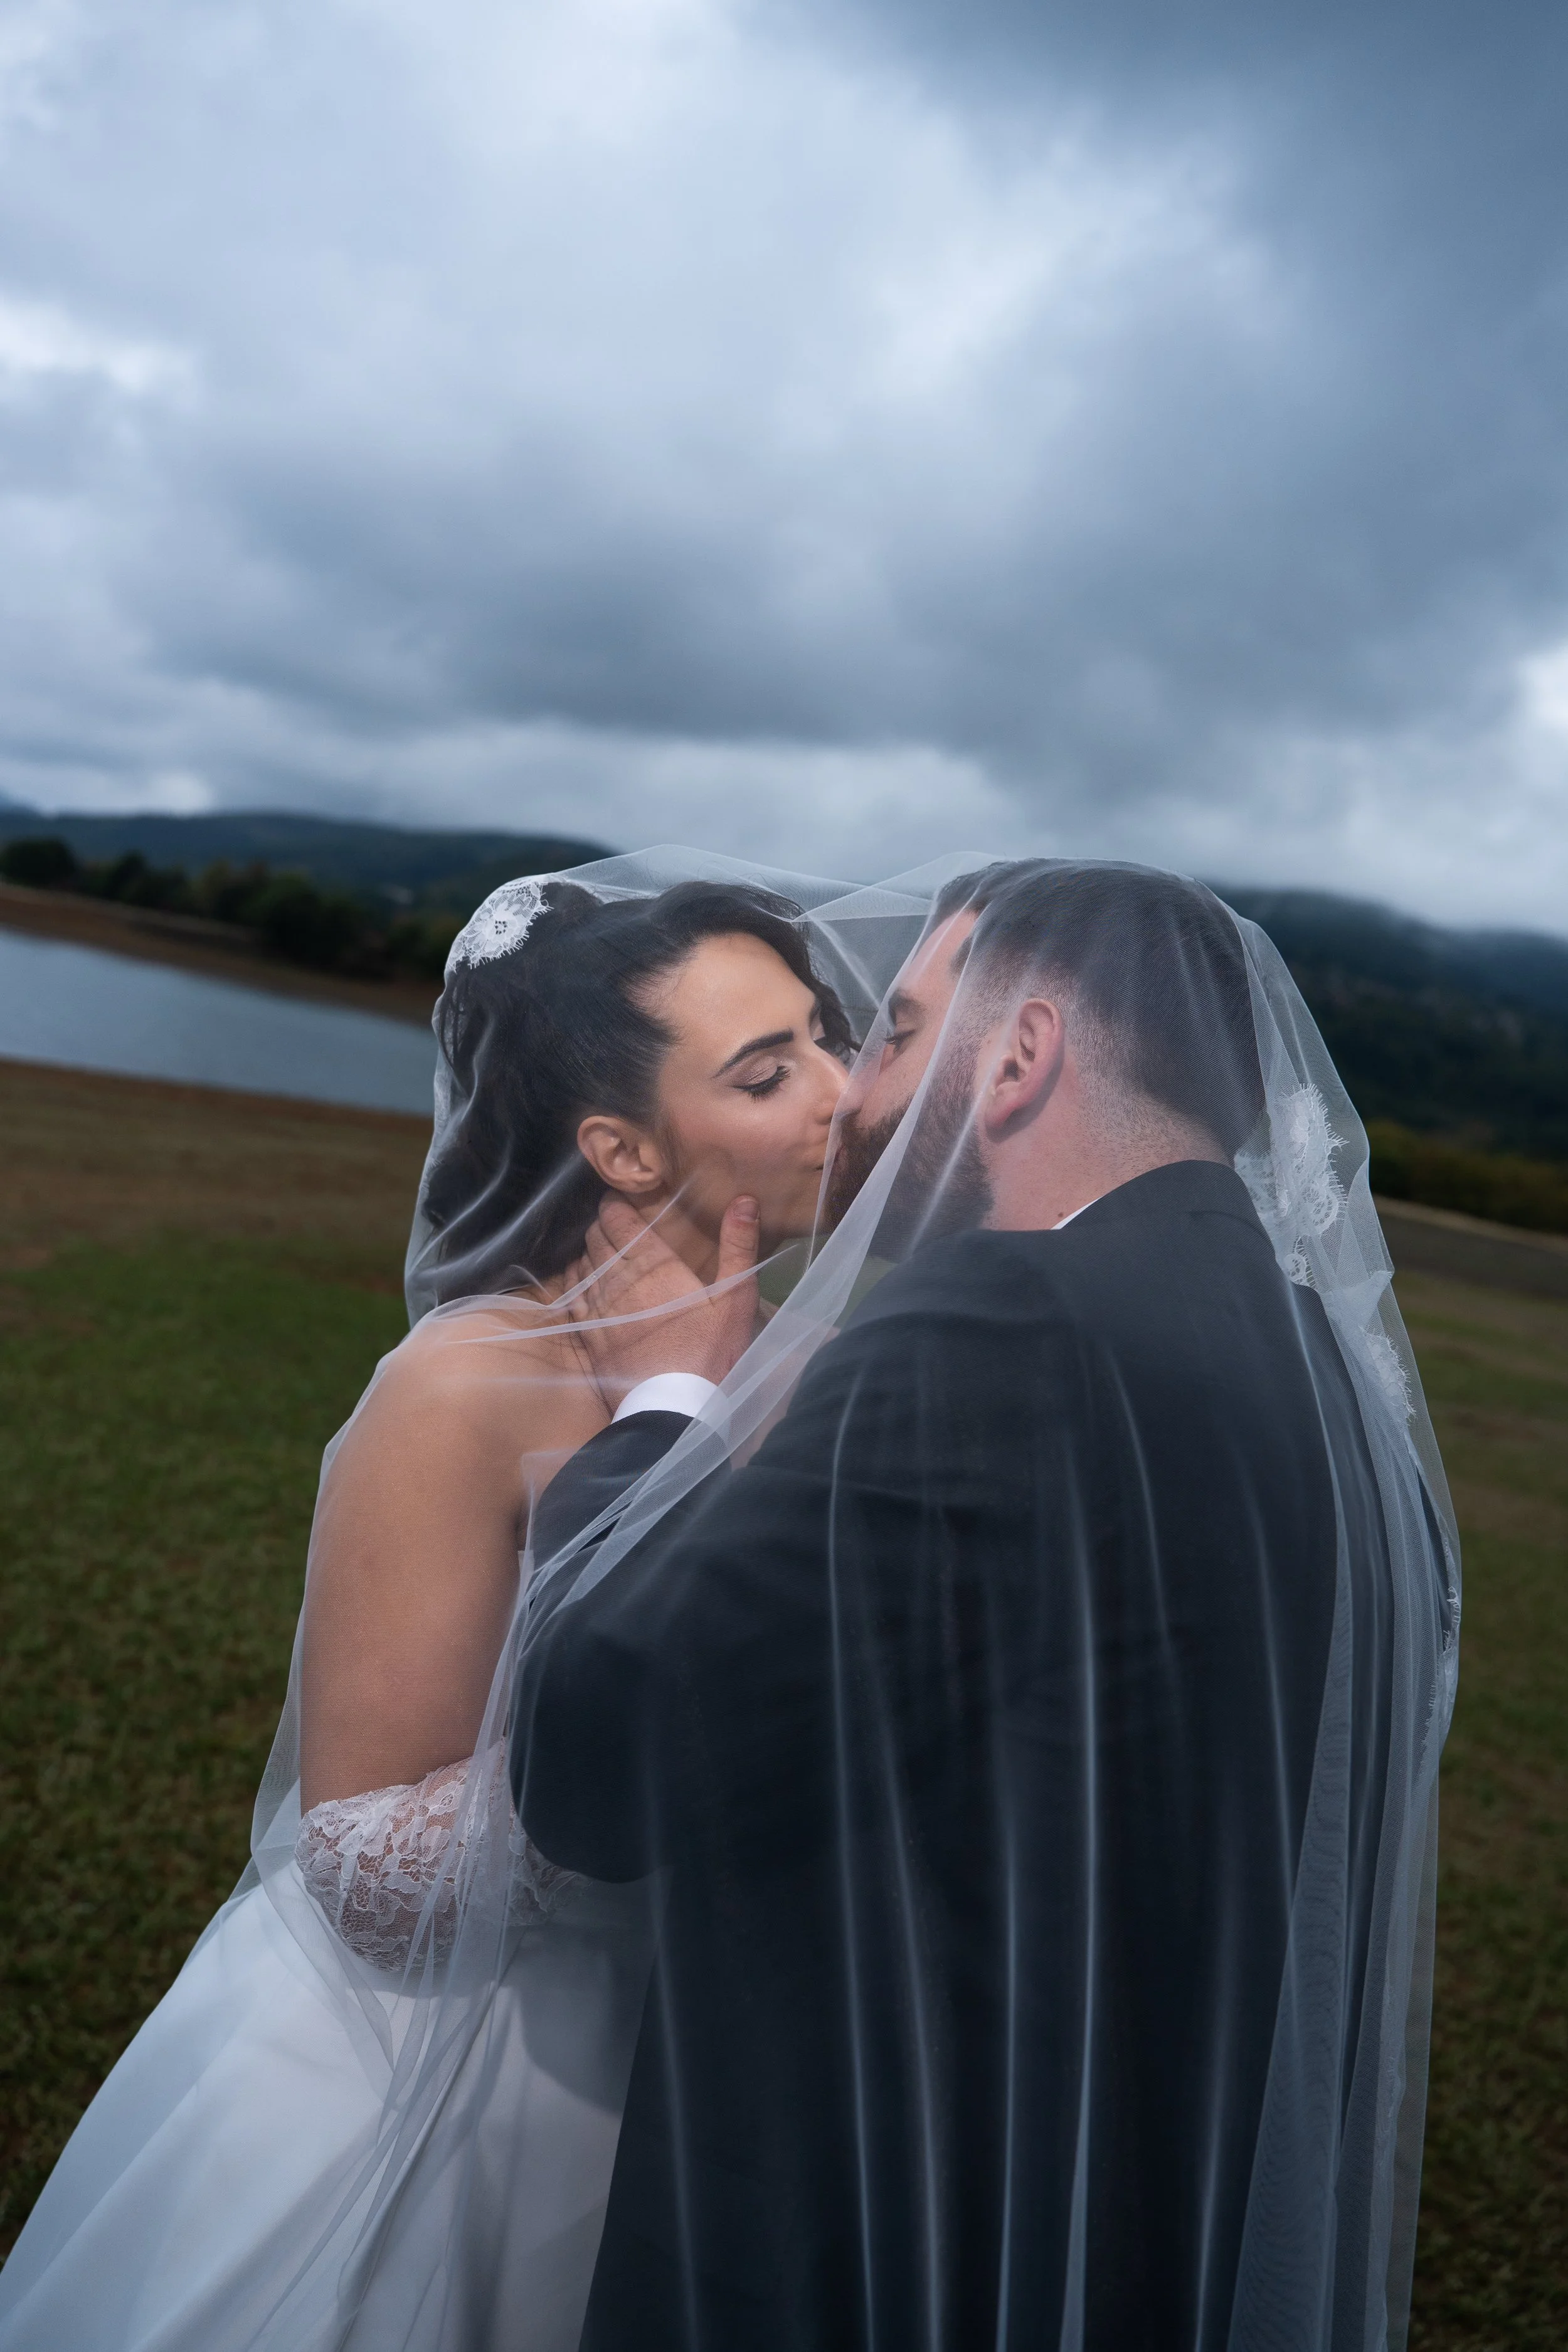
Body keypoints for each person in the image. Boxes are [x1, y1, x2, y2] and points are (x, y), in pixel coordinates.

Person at [511, 860, 1459, 2351]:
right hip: (1150, 2228)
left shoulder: (995, 1323)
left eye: (892, 1033)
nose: (854, 1099)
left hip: (879, 2221)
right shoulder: (1341, 1396)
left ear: (1017, 1062)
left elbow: (597, 1753)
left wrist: (670, 1412)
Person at [0, 867, 857, 2352]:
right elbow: (354, 1857)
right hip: (430, 2080)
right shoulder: (466, 1384)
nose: (844, 1094)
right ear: (622, 1151)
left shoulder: (814, 1375)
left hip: (676, 2077)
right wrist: (637, 1762)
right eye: (769, 1071)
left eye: (828, 1038)